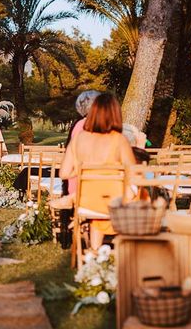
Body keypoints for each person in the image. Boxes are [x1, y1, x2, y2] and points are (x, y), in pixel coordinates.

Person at [57, 93, 136, 252]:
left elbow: (64, 173)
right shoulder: (119, 140)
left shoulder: (79, 139)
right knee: (133, 193)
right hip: (114, 201)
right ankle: (117, 246)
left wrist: (80, 170)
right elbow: (133, 173)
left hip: (85, 202)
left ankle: (95, 251)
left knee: (98, 209)